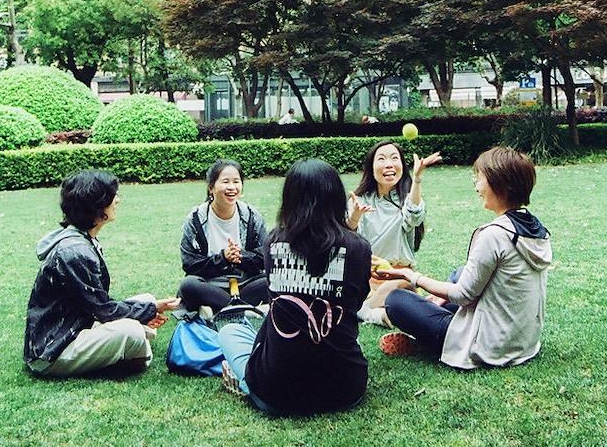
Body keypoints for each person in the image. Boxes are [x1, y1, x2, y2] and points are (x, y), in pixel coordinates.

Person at [217, 159, 372, 415]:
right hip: (345, 389)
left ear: (289, 199)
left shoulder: (273, 242)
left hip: (275, 392)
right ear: (335, 197)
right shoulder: (358, 247)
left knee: (230, 331)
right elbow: (356, 302)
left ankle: (245, 381)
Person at [376, 146, 552, 370]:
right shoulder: (536, 229)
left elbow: (462, 295)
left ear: (500, 185)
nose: (477, 187)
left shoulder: (494, 234)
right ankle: (432, 317)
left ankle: (427, 341)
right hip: (523, 342)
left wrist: (411, 276)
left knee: (396, 301)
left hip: (488, 346)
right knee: (460, 273)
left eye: (480, 179)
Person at [24, 170, 179, 377]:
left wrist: (148, 307)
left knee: (146, 300)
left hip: (78, 323)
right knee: (132, 331)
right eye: (113, 196)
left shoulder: (82, 239)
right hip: (53, 350)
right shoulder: (74, 252)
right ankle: (132, 351)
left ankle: (134, 340)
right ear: (96, 206)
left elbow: (96, 304)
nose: (118, 201)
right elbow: (103, 310)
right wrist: (147, 311)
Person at [348, 140, 442, 326]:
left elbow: (414, 215)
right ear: (371, 167)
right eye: (381, 159)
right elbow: (347, 239)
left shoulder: (407, 200)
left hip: (399, 278)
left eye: (394, 158)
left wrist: (417, 179)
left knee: (396, 290)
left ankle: (373, 312)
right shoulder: (359, 200)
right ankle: (379, 314)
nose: (389, 164)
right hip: (366, 281)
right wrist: (354, 218)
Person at [179, 159, 267, 315]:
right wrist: (223, 258)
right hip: (210, 286)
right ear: (211, 187)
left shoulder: (252, 216)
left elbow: (265, 259)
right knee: (188, 285)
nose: (232, 187)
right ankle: (242, 308)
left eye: (236, 182)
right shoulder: (196, 219)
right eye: (225, 182)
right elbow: (190, 264)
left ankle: (220, 308)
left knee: (272, 280)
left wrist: (241, 256)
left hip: (246, 284)